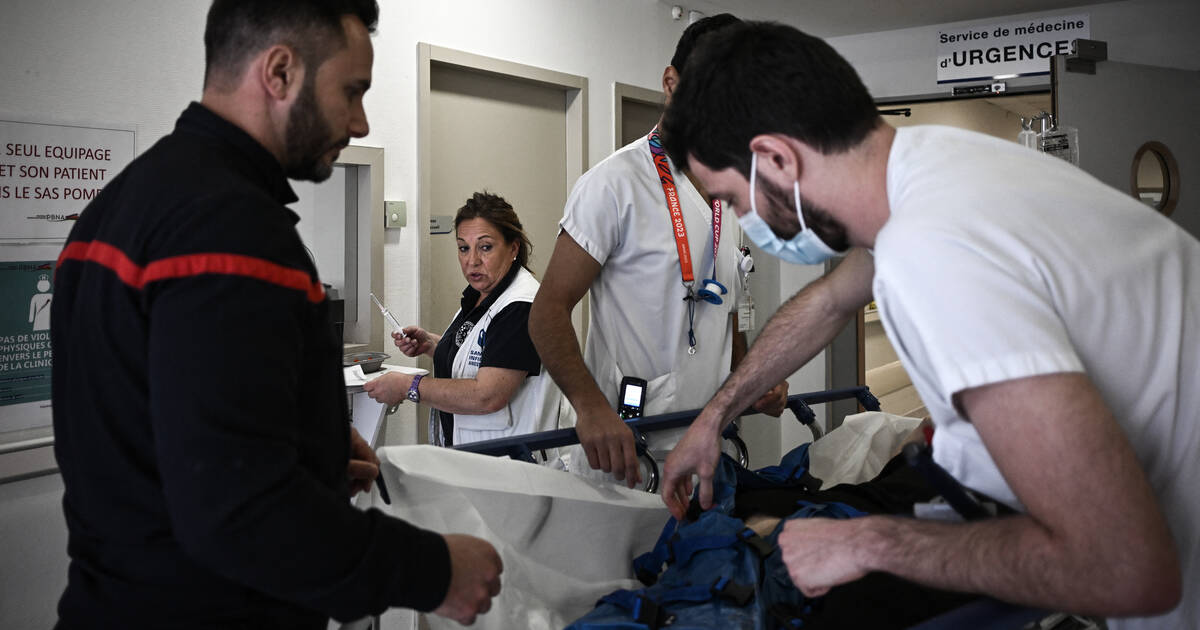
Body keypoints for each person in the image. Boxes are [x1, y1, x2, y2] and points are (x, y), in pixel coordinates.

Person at [658, 20, 1197, 629]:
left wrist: (866, 544)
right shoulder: (937, 168)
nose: (739, 219)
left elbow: (1124, 566)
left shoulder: (932, 252)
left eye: (731, 199)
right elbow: (833, 300)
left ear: (776, 159)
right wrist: (715, 417)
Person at [50, 2, 501, 627]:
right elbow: (237, 513)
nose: (362, 121)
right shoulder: (233, 233)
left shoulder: (117, 208)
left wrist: (305, 447)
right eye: (352, 91)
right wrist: (433, 571)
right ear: (281, 71)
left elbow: (157, 434)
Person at [528, 13, 788, 489]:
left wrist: (752, 382)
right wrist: (590, 408)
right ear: (672, 82)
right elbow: (546, 313)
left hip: (712, 446)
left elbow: (729, 307)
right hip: (629, 450)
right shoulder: (613, 185)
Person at [364, 192, 571, 448]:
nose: (472, 261)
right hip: (476, 458)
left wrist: (408, 385)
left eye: (485, 247)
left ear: (513, 248)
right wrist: (432, 344)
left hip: (512, 466)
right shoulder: (482, 296)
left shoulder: (521, 307)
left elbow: (486, 395)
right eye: (464, 248)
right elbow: (485, 353)